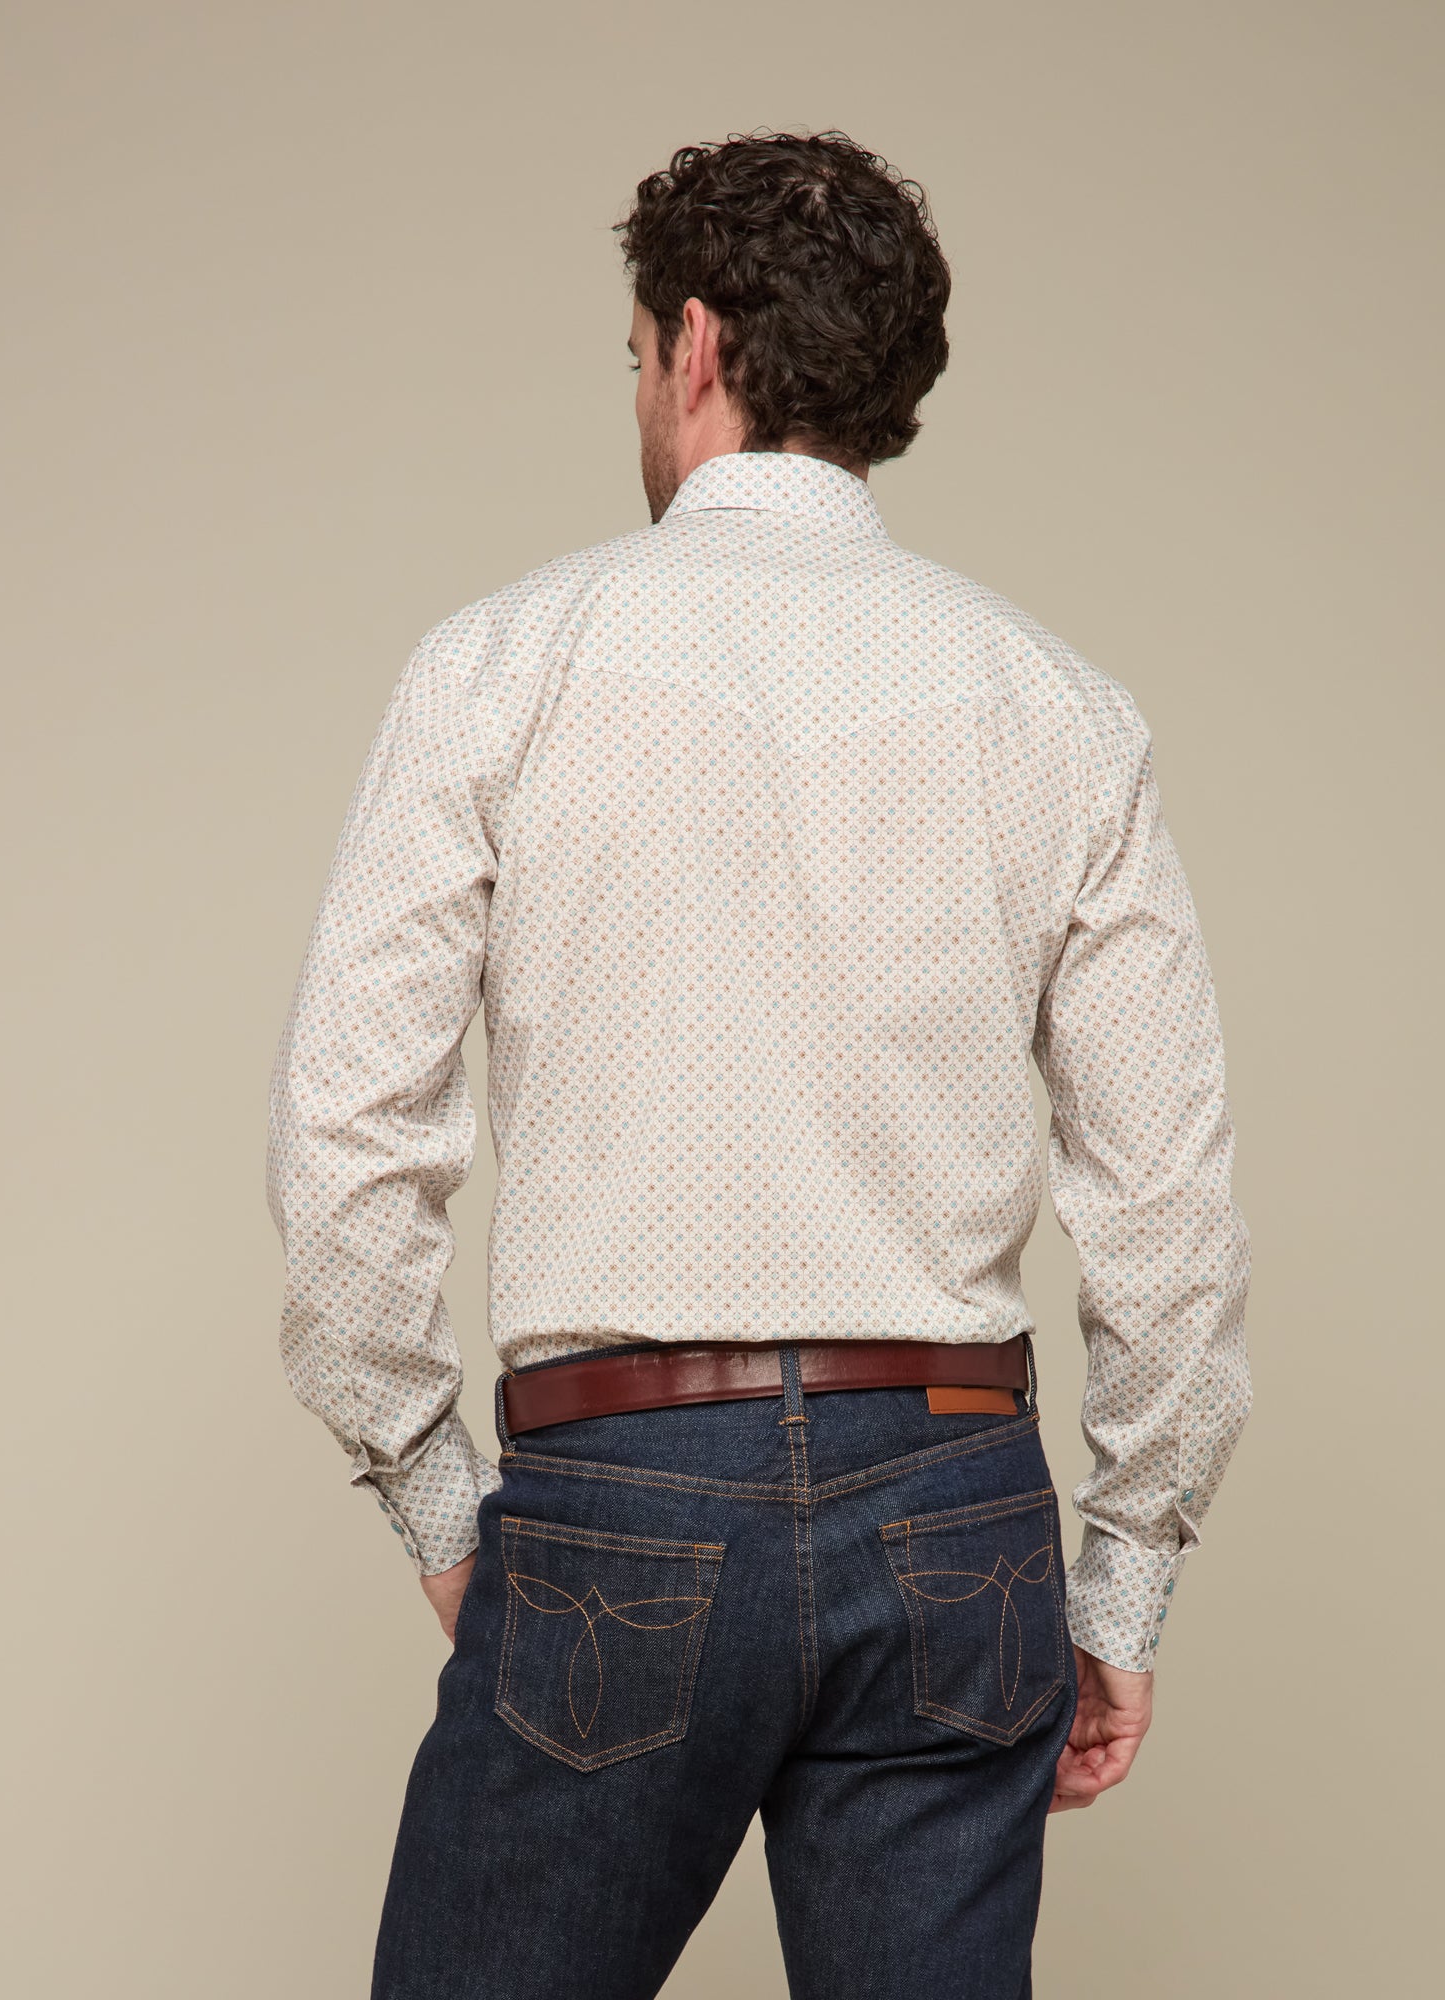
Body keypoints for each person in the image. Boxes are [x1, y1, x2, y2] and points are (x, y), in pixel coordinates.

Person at [267, 129, 1252, 2000]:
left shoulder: (502, 667)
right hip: (959, 1504)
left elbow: (346, 1146)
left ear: (697, 343)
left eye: (637, 354)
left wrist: (434, 1497)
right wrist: (1123, 1580)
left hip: (620, 1489)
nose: (640, 390)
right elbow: (1169, 1202)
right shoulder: (1059, 709)